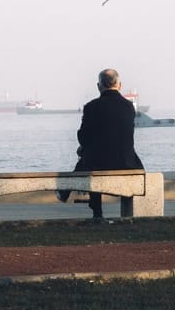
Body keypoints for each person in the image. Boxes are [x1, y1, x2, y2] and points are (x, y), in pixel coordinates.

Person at [57, 68, 144, 221]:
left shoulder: (91, 107)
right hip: (127, 164)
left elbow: (83, 137)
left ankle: (96, 212)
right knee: (94, 153)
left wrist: (83, 147)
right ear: (120, 85)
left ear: (99, 86)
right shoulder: (128, 107)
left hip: (98, 165)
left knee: (88, 155)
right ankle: (68, 192)